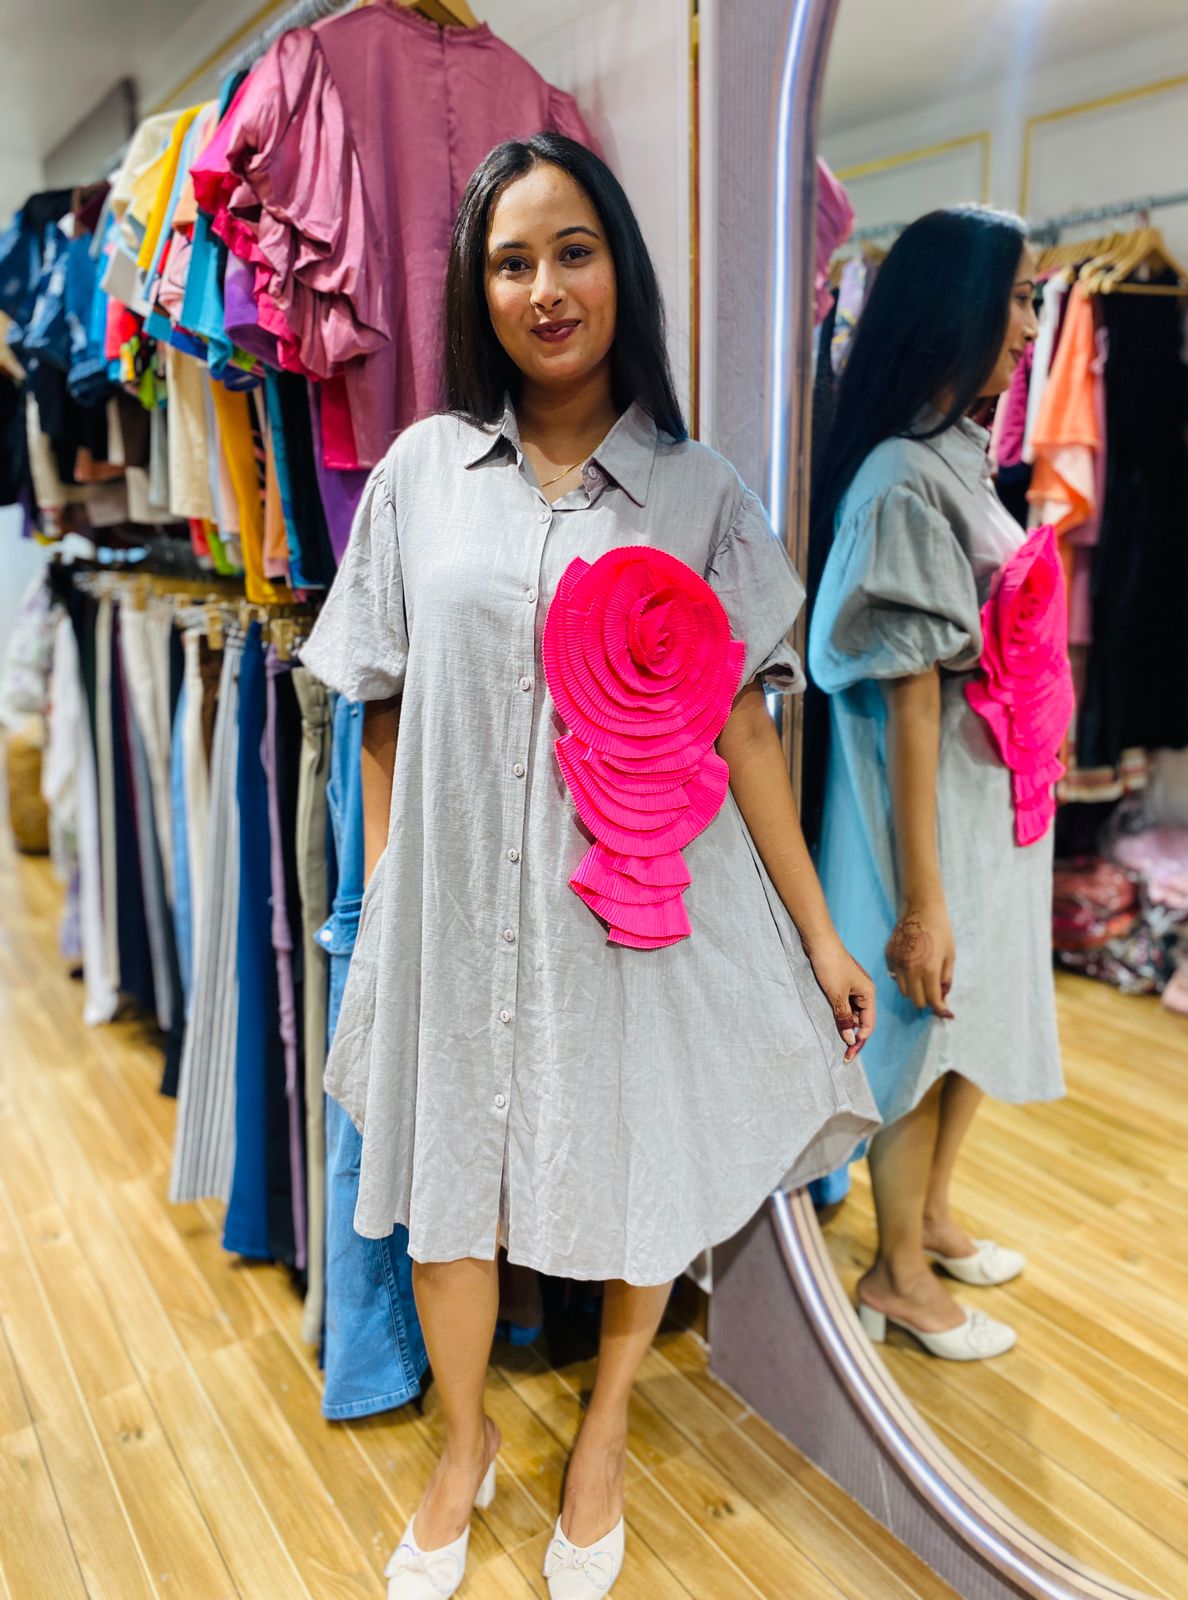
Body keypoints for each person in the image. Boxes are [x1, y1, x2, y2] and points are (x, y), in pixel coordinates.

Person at [300, 133, 879, 1599]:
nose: (546, 288)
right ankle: (462, 1443)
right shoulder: (424, 473)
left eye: (574, 251)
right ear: (472, 290)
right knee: (446, 1186)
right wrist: (385, 902)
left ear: (621, 266)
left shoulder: (695, 493)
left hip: (625, 907)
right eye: (511, 261)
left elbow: (742, 726)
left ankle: (605, 1433)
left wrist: (817, 935)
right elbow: (376, 700)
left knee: (624, 1175)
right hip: (451, 905)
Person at [806, 207, 1064, 1363]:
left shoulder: (957, 452)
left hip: (983, 801)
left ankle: (932, 1218)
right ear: (952, 305)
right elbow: (909, 695)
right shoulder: (901, 479)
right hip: (925, 820)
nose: (1026, 325)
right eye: (1013, 300)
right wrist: (924, 897)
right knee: (918, 1028)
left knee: (972, 1022)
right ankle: (898, 1270)